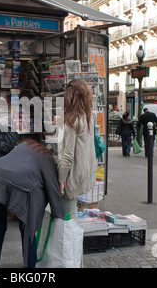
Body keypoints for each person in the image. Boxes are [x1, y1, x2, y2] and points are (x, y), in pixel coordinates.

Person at [0, 139, 64, 268]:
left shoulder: (24, 145)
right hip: (20, 186)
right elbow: (52, 187)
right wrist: (58, 212)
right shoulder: (47, 158)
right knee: (27, 229)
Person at [58, 79, 97, 217]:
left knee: (68, 214)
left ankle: (71, 239)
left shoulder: (71, 120)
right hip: (85, 170)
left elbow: (68, 155)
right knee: (70, 213)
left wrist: (61, 180)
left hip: (72, 175)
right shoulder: (88, 116)